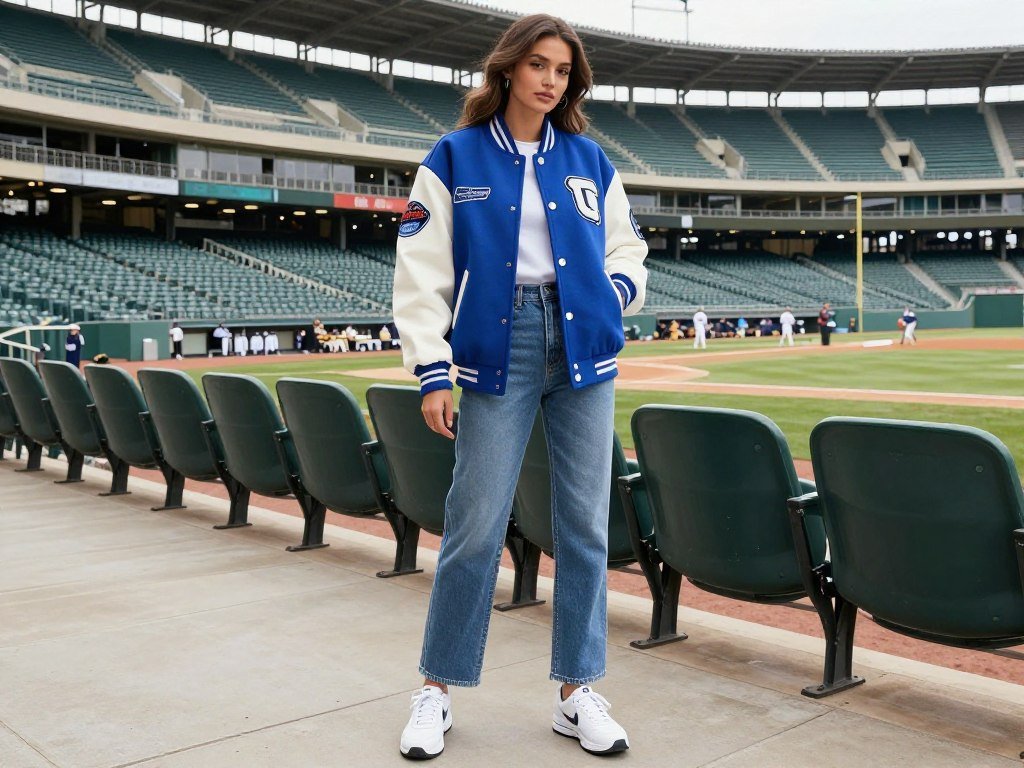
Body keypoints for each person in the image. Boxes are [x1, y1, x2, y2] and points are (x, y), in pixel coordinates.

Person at [392, 14, 647, 760]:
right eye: (537, 64)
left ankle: (577, 691)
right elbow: (421, 272)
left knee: (585, 527)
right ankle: (436, 689)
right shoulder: (455, 156)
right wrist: (431, 369)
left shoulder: (589, 158)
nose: (549, 79)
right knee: (474, 522)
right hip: (496, 348)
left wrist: (613, 293)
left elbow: (626, 245)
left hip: (584, 349)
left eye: (562, 70)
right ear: (508, 69)